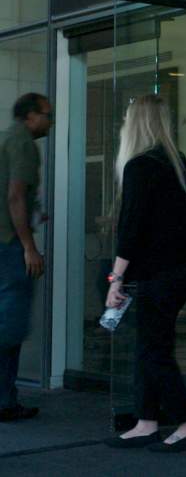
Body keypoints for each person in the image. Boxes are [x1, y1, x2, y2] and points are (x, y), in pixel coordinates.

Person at [104, 94, 186, 453]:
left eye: (127, 118)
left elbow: (131, 228)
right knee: (149, 346)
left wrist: (115, 279)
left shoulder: (139, 165)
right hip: (181, 268)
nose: (123, 124)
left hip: (159, 274)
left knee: (154, 351)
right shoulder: (176, 161)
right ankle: (145, 422)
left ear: (136, 123)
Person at [0, 93, 52, 422]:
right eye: (47, 115)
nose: (51, 121)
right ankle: (4, 401)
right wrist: (29, 247)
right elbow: (15, 195)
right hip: (9, 245)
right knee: (10, 324)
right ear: (30, 116)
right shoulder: (23, 144)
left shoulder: (4, 138)